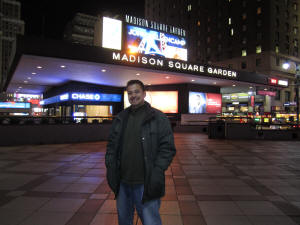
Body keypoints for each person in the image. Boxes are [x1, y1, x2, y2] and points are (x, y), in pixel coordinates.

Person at [105, 80, 176, 225]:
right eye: (130, 93)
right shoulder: (121, 118)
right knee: (124, 220)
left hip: (146, 182)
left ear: (144, 94)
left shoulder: (158, 117)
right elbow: (112, 146)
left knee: (151, 221)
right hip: (123, 182)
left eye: (136, 91)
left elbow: (167, 148)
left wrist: (157, 170)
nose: (133, 95)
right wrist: (110, 164)